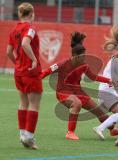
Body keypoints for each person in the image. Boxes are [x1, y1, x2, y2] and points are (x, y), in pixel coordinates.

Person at [41, 31, 118, 140]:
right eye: (82, 56)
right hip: (63, 92)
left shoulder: (83, 65)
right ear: (74, 56)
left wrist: (109, 81)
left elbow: (93, 77)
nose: (84, 58)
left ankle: (112, 129)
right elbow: (46, 72)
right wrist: (35, 81)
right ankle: (70, 132)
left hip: (78, 92)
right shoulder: (62, 64)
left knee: (98, 110)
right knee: (76, 103)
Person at [7, 2, 42, 149]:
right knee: (34, 104)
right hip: (31, 72)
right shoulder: (30, 28)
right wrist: (34, 60)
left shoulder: (14, 30)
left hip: (19, 72)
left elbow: (8, 52)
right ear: (32, 14)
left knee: (23, 103)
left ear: (20, 14)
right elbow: (25, 43)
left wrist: (17, 63)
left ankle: (22, 135)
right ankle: (29, 137)